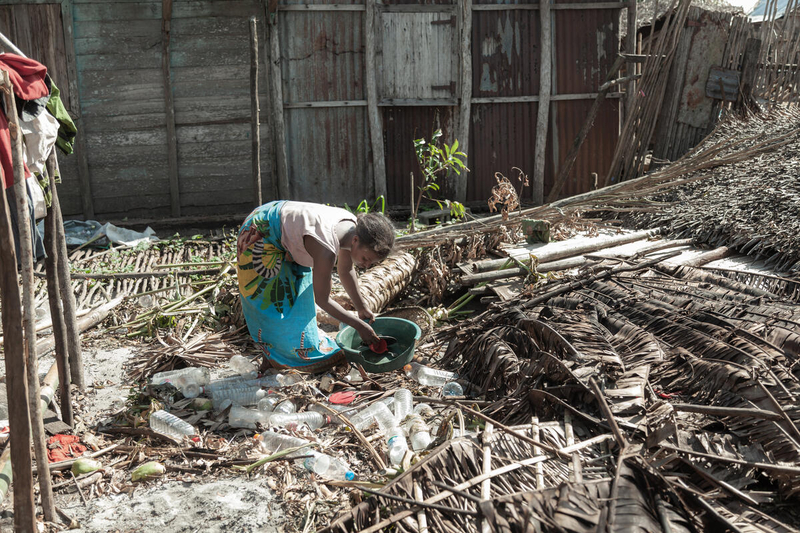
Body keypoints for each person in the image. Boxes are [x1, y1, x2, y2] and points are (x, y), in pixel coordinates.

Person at [236, 200, 395, 371]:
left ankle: (287, 353)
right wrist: (358, 325)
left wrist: (361, 307)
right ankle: (274, 357)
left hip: (284, 231)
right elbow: (323, 300)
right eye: (366, 259)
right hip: (259, 233)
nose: (366, 266)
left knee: (299, 298)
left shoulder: (352, 229)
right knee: (271, 303)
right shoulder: (325, 250)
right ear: (356, 240)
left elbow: (346, 270)